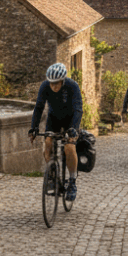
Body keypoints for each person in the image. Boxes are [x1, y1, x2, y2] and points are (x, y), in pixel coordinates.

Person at [28, 63, 83, 202]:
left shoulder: (72, 86)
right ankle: (52, 175)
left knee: (69, 147)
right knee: (47, 142)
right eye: (51, 84)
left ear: (63, 80)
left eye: (57, 84)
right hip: (54, 119)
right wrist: (34, 128)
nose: (54, 87)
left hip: (71, 119)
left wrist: (74, 129)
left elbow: (78, 109)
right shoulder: (44, 86)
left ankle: (72, 181)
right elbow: (39, 107)